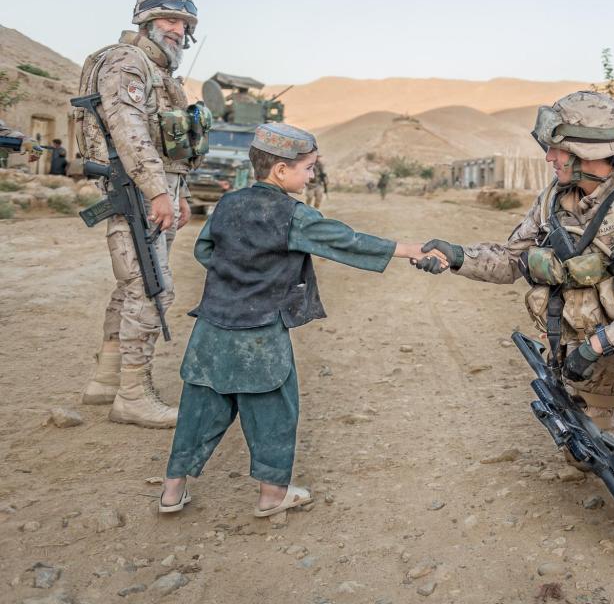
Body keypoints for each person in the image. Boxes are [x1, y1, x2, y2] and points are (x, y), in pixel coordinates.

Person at [414, 91, 614, 525]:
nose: (549, 157)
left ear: (587, 153)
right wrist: (457, 256)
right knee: (585, 453)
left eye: (558, 149)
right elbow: (513, 258)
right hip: (592, 329)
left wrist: (601, 343)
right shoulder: (555, 196)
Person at [159, 123, 443, 516]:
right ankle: (272, 496)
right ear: (281, 170)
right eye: (308, 168)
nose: (311, 176)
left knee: (200, 407)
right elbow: (345, 240)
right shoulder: (292, 214)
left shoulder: (228, 204)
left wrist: (239, 277)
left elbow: (204, 250)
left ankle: (172, 491)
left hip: (210, 327)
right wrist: (409, 249)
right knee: (274, 410)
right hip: (261, 334)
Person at [77, 0, 202, 427]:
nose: (177, 30)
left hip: (152, 191)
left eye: (183, 23)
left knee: (131, 285)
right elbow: (128, 132)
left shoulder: (157, 70)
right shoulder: (126, 62)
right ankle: (133, 394)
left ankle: (107, 380)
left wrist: (178, 193)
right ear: (145, 22)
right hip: (136, 192)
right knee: (151, 287)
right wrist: (156, 192)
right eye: (169, 20)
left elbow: (165, 142)